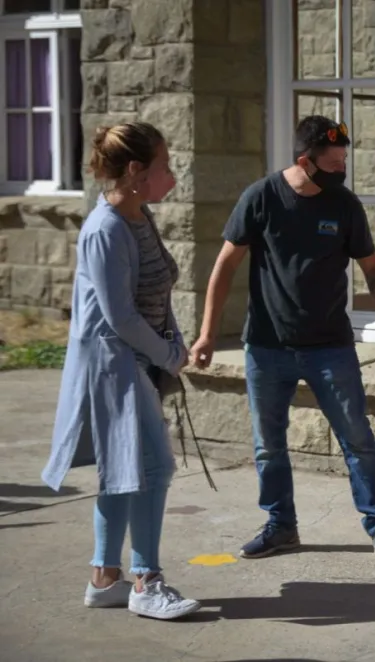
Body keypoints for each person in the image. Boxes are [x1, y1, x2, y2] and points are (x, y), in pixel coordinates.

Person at [188, 115, 375, 560]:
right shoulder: (261, 198)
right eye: (332, 163)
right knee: (268, 445)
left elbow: (373, 269)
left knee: (358, 439)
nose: (340, 170)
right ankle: (280, 526)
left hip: (330, 346)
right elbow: (224, 267)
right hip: (268, 348)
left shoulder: (344, 205)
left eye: (344, 161)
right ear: (304, 161)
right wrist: (207, 335)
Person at [41, 122, 201, 620]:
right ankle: (146, 581)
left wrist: (172, 339)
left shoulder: (138, 214)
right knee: (152, 467)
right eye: (164, 166)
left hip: (139, 358)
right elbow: (120, 317)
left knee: (123, 472)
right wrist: (169, 355)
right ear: (135, 172)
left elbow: (156, 290)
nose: (172, 176)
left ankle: (104, 578)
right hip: (114, 363)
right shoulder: (105, 229)